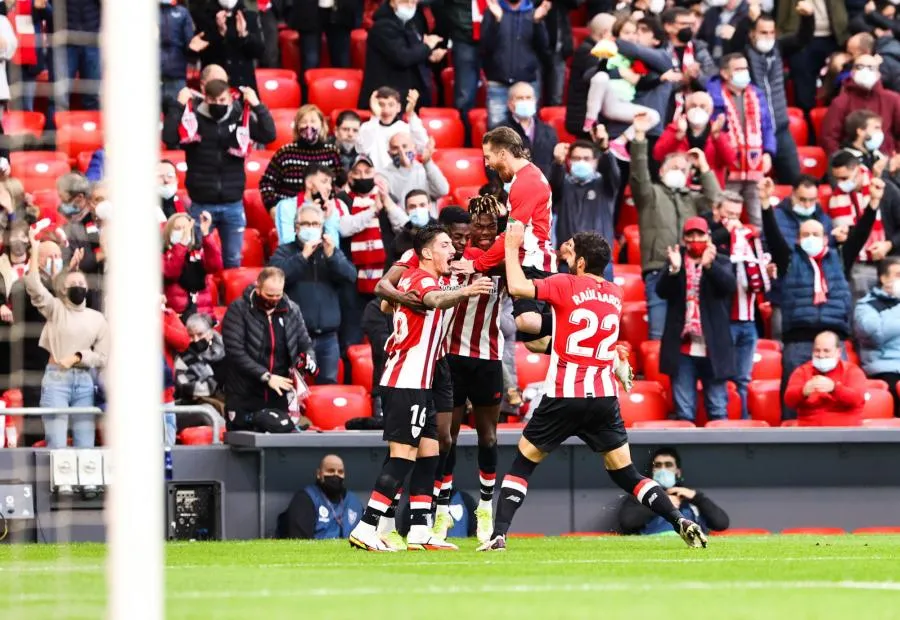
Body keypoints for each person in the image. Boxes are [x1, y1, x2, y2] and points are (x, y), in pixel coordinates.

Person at [478, 222, 706, 551]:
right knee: (626, 473)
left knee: (524, 462)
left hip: (564, 394)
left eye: (574, 256)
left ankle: (498, 533)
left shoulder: (565, 284)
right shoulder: (616, 293)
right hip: (602, 397)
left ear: (581, 263)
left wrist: (512, 248)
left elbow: (517, 286)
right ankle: (678, 518)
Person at [348, 225, 494, 552]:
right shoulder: (421, 279)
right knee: (402, 457)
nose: (452, 250)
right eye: (445, 245)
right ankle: (366, 526)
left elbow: (390, 303)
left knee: (430, 452)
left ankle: (419, 529)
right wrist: (468, 291)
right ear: (427, 253)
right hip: (406, 381)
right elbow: (435, 299)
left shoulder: (423, 278)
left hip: (421, 382)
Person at [760, 177, 880, 420]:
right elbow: (772, 236)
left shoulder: (839, 258)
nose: (810, 238)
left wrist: (873, 203)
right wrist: (764, 203)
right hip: (799, 342)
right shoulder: (789, 260)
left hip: (833, 341)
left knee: (839, 401)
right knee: (795, 402)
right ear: (798, 239)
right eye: (805, 235)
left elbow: (860, 235)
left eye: (816, 234)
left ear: (826, 238)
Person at [452, 127, 556, 340]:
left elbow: (511, 237)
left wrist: (476, 264)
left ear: (502, 154)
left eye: (488, 157)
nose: (487, 164)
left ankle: (578, 319)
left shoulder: (526, 183)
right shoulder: (526, 178)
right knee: (533, 342)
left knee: (527, 322)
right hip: (530, 260)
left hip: (532, 262)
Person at [162, 79, 276, 269]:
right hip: (201, 203)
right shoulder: (193, 118)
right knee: (196, 259)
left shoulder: (240, 117)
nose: (218, 105)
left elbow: (269, 135)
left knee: (233, 260)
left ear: (230, 99)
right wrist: (178, 104)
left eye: (223, 100)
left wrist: (257, 105)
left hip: (232, 204)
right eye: (213, 100)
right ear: (204, 97)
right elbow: (169, 137)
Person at [631, 112, 721, 341]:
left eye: (684, 170)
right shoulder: (650, 194)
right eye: (674, 167)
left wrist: (703, 166)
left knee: (687, 334)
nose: (679, 172)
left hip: (689, 269)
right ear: (661, 171)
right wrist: (640, 136)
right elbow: (639, 176)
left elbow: (715, 199)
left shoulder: (691, 198)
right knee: (659, 333)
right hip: (658, 268)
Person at [24, 227, 108, 450]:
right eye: (73, 285)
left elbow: (102, 357)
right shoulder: (56, 309)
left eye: (82, 284)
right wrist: (34, 250)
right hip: (56, 379)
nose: (78, 287)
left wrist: (80, 356)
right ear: (63, 288)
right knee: (57, 443)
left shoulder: (97, 318)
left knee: (85, 444)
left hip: (84, 381)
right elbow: (33, 285)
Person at [657, 217, 736, 423]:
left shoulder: (722, 260)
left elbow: (729, 287)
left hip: (713, 347)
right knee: (684, 413)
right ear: (684, 238)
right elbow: (661, 291)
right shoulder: (675, 259)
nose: (695, 239)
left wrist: (710, 267)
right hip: (682, 348)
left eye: (699, 234)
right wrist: (673, 270)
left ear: (708, 237)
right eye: (690, 235)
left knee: (718, 409)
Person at [269, 205, 357, 384]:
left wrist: (332, 256)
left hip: (328, 337)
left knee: (327, 387)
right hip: (295, 337)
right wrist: (303, 257)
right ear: (296, 228)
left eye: (315, 224)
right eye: (305, 224)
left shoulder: (330, 252)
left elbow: (350, 276)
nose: (311, 228)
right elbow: (276, 279)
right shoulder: (284, 252)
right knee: (294, 388)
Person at [221, 267, 317, 431]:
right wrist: (266, 376)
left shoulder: (292, 310)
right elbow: (235, 351)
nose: (274, 299)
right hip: (245, 393)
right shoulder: (238, 309)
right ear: (257, 287)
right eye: (269, 295)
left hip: (279, 393)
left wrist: (309, 359)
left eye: (278, 295)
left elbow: (305, 343)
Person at [707, 192, 769, 419]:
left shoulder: (749, 238)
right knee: (719, 377)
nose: (733, 221)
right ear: (716, 212)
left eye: (736, 215)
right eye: (728, 215)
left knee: (743, 380)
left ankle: (742, 424)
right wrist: (729, 235)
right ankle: (719, 423)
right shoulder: (709, 237)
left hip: (748, 320)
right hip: (722, 321)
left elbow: (760, 284)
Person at [745, 9, 812, 186]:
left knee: (794, 181)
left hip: (781, 130)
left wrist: (807, 18)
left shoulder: (778, 47)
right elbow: (734, 44)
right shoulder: (744, 53)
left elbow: (802, 39)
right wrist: (747, 19)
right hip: (752, 131)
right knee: (753, 186)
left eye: (771, 32)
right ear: (752, 33)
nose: (768, 36)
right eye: (763, 32)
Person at [708, 53, 775, 227]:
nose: (744, 72)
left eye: (745, 68)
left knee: (758, 215)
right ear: (724, 73)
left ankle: (760, 248)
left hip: (754, 165)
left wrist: (768, 152)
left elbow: (767, 126)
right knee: (727, 212)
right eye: (738, 69)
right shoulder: (714, 95)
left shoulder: (756, 94)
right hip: (728, 166)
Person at [582, 17, 664, 161]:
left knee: (653, 116)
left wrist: (660, 79)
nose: (631, 37)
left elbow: (645, 81)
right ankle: (590, 120)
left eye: (634, 33)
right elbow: (592, 74)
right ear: (617, 34)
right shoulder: (608, 50)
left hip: (621, 105)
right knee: (601, 77)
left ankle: (620, 143)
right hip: (606, 98)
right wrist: (619, 72)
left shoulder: (640, 57)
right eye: (626, 33)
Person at [829, 151, 900, 303]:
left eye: (845, 178)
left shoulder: (885, 190)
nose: (840, 183)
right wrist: (842, 238)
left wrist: (889, 244)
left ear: (858, 170)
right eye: (837, 179)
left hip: (891, 260)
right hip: (859, 265)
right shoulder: (836, 198)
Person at [550, 134, 620, 278]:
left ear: (596, 161)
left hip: (600, 263)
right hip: (569, 261)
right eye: (576, 158)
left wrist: (606, 150)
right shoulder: (564, 185)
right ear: (569, 161)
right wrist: (557, 163)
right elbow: (553, 186)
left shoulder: (605, 185)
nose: (581, 162)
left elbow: (613, 174)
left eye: (586, 159)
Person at [619, 447, 730, 535]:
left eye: (668, 465)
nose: (663, 469)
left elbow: (721, 524)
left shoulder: (690, 497)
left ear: (678, 472)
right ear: (652, 471)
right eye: (658, 465)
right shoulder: (641, 495)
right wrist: (660, 504)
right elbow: (627, 523)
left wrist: (698, 498)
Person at [358, 0, 445, 109]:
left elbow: (414, 52)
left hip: (407, 94)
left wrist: (428, 55)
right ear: (393, 2)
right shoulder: (383, 26)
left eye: (413, 3)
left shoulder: (410, 23)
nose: (410, 6)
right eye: (405, 2)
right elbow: (402, 57)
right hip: (387, 97)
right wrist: (427, 47)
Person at [480, 0, 552, 128]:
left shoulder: (533, 13)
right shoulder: (492, 11)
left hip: (527, 83)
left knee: (527, 129)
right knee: (497, 133)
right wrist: (497, 21)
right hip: (498, 83)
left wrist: (537, 22)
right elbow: (485, 47)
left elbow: (544, 49)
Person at [259, 104, 343, 211]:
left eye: (313, 121)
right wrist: (272, 207)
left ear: (322, 125)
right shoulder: (285, 152)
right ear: (297, 126)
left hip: (323, 213)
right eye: (304, 122)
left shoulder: (332, 152)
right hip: (290, 213)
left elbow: (339, 184)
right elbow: (266, 182)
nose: (308, 126)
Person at [821, 54, 900, 157]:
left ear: (878, 73)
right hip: (852, 163)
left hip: (888, 161)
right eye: (860, 67)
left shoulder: (892, 99)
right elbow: (829, 138)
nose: (865, 71)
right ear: (852, 72)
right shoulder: (840, 102)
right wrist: (844, 163)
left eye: (871, 68)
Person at [653, 91, 736, 189]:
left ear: (710, 110)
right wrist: (678, 136)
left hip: (709, 190)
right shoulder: (675, 129)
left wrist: (717, 137)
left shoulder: (717, 132)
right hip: (681, 190)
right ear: (686, 109)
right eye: (693, 106)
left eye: (702, 106)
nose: (697, 109)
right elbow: (658, 154)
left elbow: (730, 160)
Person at [784, 330, 868, 426]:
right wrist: (802, 391)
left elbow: (858, 399)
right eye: (817, 350)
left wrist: (834, 389)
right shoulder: (802, 371)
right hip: (809, 434)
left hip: (846, 434)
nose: (821, 355)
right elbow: (789, 401)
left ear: (838, 352)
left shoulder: (852, 371)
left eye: (826, 351)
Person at [277, 454, 364, 540]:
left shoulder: (354, 502)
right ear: (319, 474)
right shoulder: (306, 499)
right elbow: (300, 542)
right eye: (330, 471)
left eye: (340, 472)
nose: (335, 475)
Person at [854, 256, 900, 415]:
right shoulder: (866, 305)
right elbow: (875, 334)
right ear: (883, 278)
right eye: (898, 275)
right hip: (885, 368)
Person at [162, 211, 224, 321]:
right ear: (169, 232)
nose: (183, 232)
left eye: (186, 228)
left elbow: (215, 266)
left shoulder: (198, 253)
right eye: (178, 228)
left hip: (203, 316)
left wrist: (206, 234)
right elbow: (171, 272)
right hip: (178, 318)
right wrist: (181, 245)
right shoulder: (162, 255)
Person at [193, 0, 264, 91]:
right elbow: (200, 52)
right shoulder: (204, 16)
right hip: (216, 86)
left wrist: (244, 35)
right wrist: (219, 34)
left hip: (243, 84)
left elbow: (259, 52)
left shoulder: (249, 15)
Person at [57, 173, 103, 309]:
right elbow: (69, 263)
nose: (61, 204)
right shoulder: (67, 227)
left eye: (64, 199)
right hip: (84, 294)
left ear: (80, 198)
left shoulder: (101, 222)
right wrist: (101, 255)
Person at [565, 13, 615, 138]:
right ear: (605, 33)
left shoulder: (590, 49)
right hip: (582, 116)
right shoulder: (588, 52)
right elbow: (593, 78)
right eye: (614, 32)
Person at [173, 312, 227, 426]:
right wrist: (214, 381)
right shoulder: (184, 357)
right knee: (208, 413)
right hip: (193, 405)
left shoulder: (226, 352)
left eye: (200, 334)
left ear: (210, 333)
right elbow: (184, 386)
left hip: (225, 400)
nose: (196, 340)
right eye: (191, 336)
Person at [357, 87, 430, 172]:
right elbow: (362, 150)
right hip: (377, 180)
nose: (386, 110)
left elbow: (423, 148)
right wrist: (375, 116)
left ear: (398, 107)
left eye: (391, 105)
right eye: (381, 105)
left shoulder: (406, 128)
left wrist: (411, 114)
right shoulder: (367, 127)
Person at [497, 82, 558, 177]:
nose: (525, 101)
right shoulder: (498, 133)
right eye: (520, 98)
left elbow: (554, 172)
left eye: (528, 98)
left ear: (535, 101)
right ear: (510, 104)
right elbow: (493, 169)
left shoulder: (548, 132)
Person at [273, 164, 343, 244]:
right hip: (295, 255)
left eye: (330, 183)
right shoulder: (287, 206)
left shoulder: (331, 210)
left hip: (321, 256)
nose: (329, 187)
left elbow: (334, 249)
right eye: (324, 182)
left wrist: (327, 219)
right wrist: (310, 213)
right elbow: (287, 243)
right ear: (309, 183)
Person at [288, 0, 356, 76]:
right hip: (307, 11)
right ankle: (308, 87)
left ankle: (344, 87)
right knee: (311, 61)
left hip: (342, 12)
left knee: (342, 61)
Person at [380, 133, 449, 203]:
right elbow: (399, 200)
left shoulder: (426, 170)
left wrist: (427, 163)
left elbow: (443, 191)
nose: (401, 151)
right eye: (395, 148)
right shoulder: (383, 175)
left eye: (404, 146)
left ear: (414, 148)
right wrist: (404, 168)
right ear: (389, 153)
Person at [159, 0, 201, 113]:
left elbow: (191, 46)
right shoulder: (142, 13)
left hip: (176, 77)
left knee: (177, 117)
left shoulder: (182, 13)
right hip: (148, 78)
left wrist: (193, 49)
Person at [58, 0, 100, 110]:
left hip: (92, 39)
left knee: (92, 96)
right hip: (67, 40)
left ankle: (92, 127)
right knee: (60, 96)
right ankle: (58, 127)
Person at [332, 110, 362, 176]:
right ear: (336, 131)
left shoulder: (364, 152)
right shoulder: (325, 151)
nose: (350, 134)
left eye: (355, 130)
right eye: (345, 129)